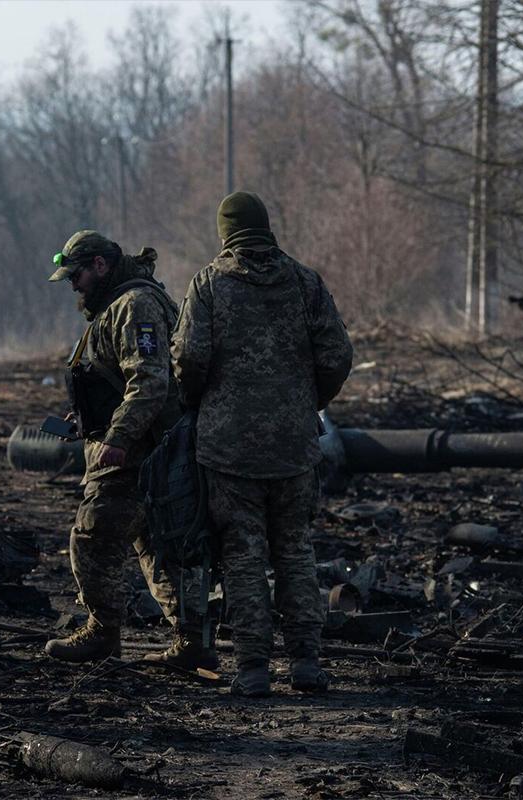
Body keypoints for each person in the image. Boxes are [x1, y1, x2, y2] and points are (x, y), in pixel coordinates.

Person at [171, 191, 352, 697]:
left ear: (225, 232)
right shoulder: (305, 282)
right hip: (294, 445)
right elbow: (337, 355)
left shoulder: (209, 284)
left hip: (228, 449)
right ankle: (306, 663)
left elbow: (188, 357)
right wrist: (307, 400)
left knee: (242, 554)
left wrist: (200, 403)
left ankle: (253, 669)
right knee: (295, 549)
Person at [44, 230, 216, 670]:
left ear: (100, 265)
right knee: (154, 543)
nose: (73, 285)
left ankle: (102, 632)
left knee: (93, 535)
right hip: (140, 445)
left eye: (77, 276)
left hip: (139, 450)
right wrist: (89, 421)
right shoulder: (115, 305)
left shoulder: (134, 305)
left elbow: (150, 381)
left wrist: (118, 438)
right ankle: (192, 641)